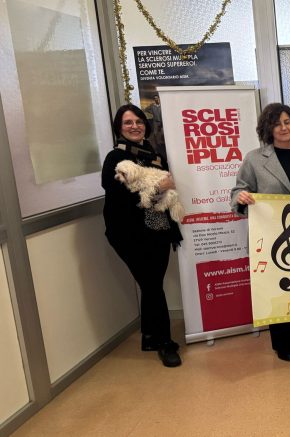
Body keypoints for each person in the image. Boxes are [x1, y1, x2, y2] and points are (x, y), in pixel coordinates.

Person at [230, 103, 290, 362]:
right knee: (277, 289)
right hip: (269, 237)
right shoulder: (254, 159)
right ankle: (282, 342)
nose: (283, 128)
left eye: (287, 122)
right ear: (268, 128)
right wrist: (241, 198)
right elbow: (239, 190)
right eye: (277, 124)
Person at [101, 104, 183, 368]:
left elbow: (168, 189)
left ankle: (150, 336)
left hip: (158, 230)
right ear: (119, 128)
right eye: (128, 122)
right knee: (152, 284)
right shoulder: (115, 158)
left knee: (152, 283)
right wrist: (158, 187)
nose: (134, 126)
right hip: (130, 235)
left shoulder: (154, 155)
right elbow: (116, 193)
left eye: (138, 121)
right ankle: (165, 343)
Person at [144, 94, 165, 159]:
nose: (156, 99)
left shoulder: (162, 105)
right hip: (155, 122)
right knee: (155, 134)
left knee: (163, 133)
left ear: (158, 99)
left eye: (157, 98)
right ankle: (157, 146)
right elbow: (146, 109)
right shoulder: (153, 106)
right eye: (155, 98)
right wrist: (151, 111)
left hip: (163, 121)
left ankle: (163, 145)